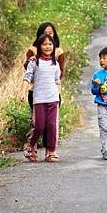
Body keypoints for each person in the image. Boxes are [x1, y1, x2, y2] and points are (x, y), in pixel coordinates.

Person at [23, 22, 65, 153]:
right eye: (45, 35)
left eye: (50, 34)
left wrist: (58, 93)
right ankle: (32, 146)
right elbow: (28, 74)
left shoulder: (57, 56)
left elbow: (58, 77)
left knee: (52, 124)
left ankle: (51, 151)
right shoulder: (33, 55)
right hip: (36, 94)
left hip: (52, 95)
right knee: (38, 124)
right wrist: (23, 93)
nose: (47, 45)